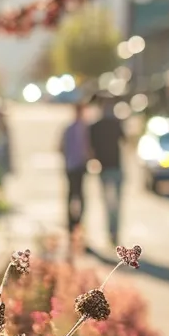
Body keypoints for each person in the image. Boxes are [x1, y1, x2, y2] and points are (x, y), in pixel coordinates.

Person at [87, 95, 126, 247]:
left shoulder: (97, 126)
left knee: (110, 203)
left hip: (110, 168)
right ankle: (113, 231)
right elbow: (126, 141)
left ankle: (113, 232)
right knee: (113, 203)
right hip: (109, 168)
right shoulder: (112, 124)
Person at [59, 102, 92, 254]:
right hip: (77, 165)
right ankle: (76, 223)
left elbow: (60, 147)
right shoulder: (82, 128)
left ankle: (73, 223)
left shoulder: (70, 128)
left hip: (71, 165)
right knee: (78, 194)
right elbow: (87, 148)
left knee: (73, 194)